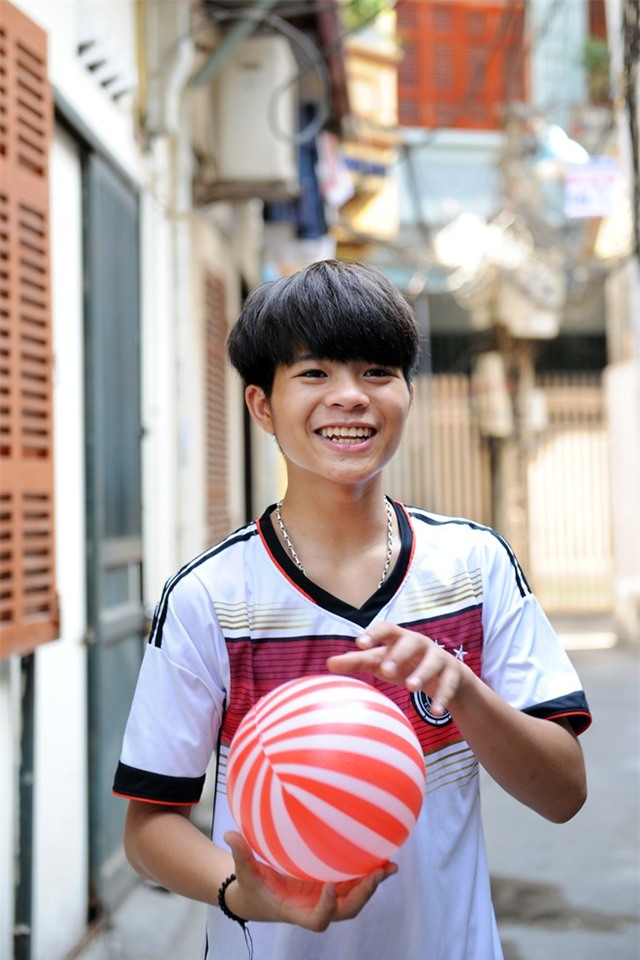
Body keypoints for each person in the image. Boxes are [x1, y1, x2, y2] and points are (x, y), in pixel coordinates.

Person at [113, 259, 590, 960]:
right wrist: (246, 895)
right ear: (261, 406)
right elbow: (149, 827)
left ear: (407, 393)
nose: (350, 397)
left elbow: (564, 793)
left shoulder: (475, 567)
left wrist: (462, 690)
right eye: (314, 373)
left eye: (377, 372)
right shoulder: (210, 598)